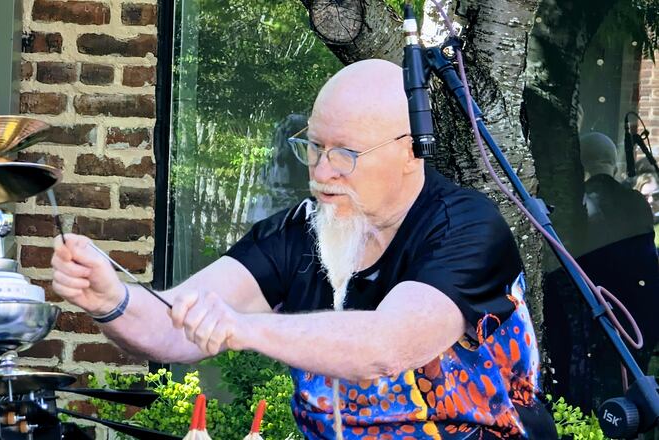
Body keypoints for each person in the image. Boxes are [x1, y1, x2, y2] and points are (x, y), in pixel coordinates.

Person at [51, 59, 554, 439]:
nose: (320, 171)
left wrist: (243, 328)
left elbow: (387, 348)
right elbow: (172, 322)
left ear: (409, 152)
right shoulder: (298, 231)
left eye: (345, 154)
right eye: (313, 146)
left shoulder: (467, 227)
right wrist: (110, 300)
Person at [544, 132, 659, 418]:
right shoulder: (634, 201)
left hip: (598, 313)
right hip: (638, 314)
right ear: (614, 162)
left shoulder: (581, 204)